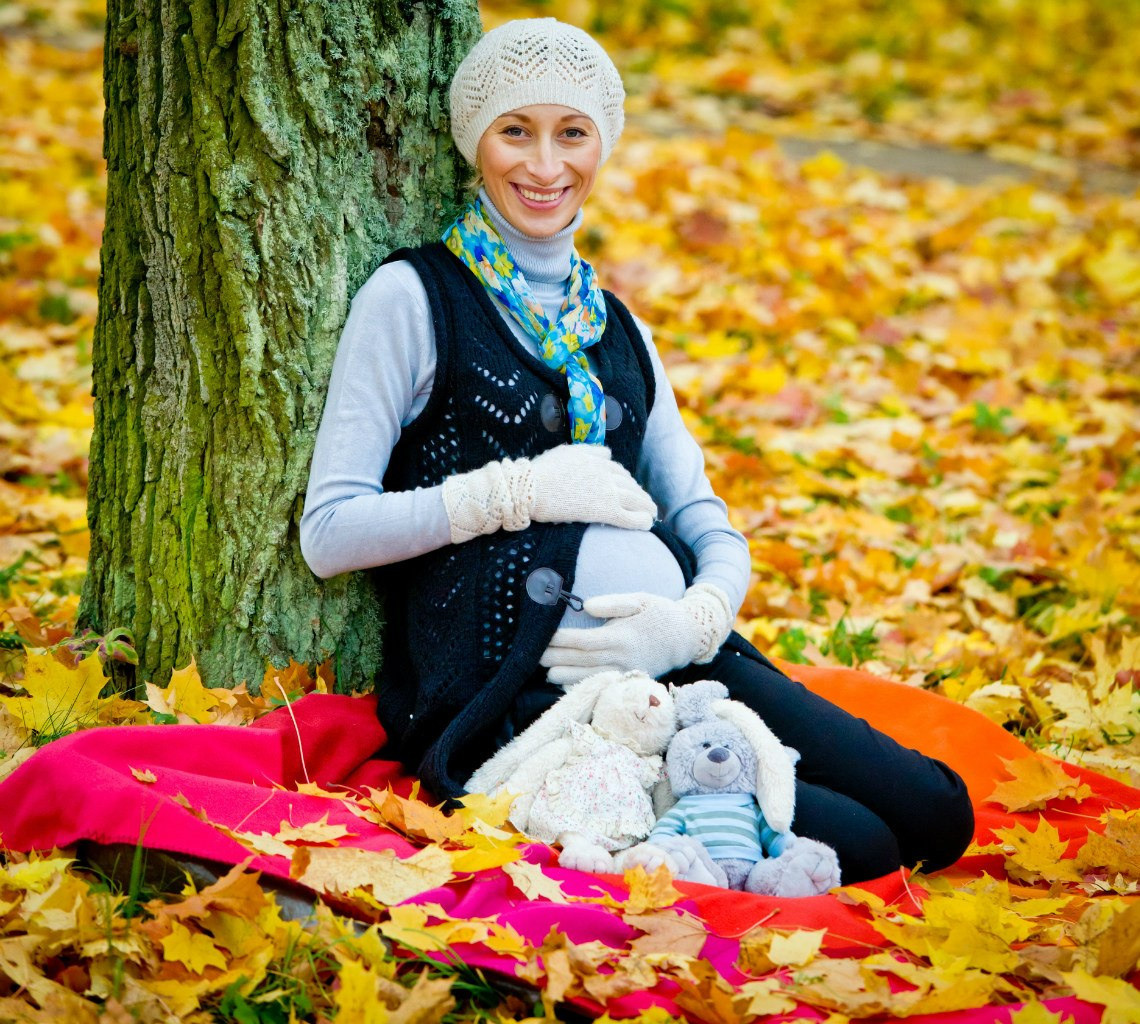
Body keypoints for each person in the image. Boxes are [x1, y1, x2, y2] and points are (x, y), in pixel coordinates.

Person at [299, 18, 974, 883]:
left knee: (938, 815)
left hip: (678, 660)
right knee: (871, 847)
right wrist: (514, 492)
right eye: (516, 131)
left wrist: (685, 624)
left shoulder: (619, 331)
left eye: (571, 133)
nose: (545, 166)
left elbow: (708, 524)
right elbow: (331, 532)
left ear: (601, 147)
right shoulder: (413, 297)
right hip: (528, 697)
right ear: (476, 142)